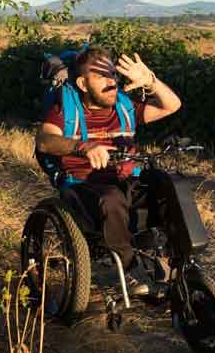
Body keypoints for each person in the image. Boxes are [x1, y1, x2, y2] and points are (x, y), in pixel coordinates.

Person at [35, 47, 182, 294]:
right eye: (101, 76)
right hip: (82, 185)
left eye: (112, 75)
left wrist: (151, 81)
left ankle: (179, 259)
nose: (111, 82)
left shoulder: (125, 107)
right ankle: (130, 268)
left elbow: (172, 105)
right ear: (82, 83)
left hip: (126, 180)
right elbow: (45, 141)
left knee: (169, 183)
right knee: (111, 198)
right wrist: (82, 147)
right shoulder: (65, 109)